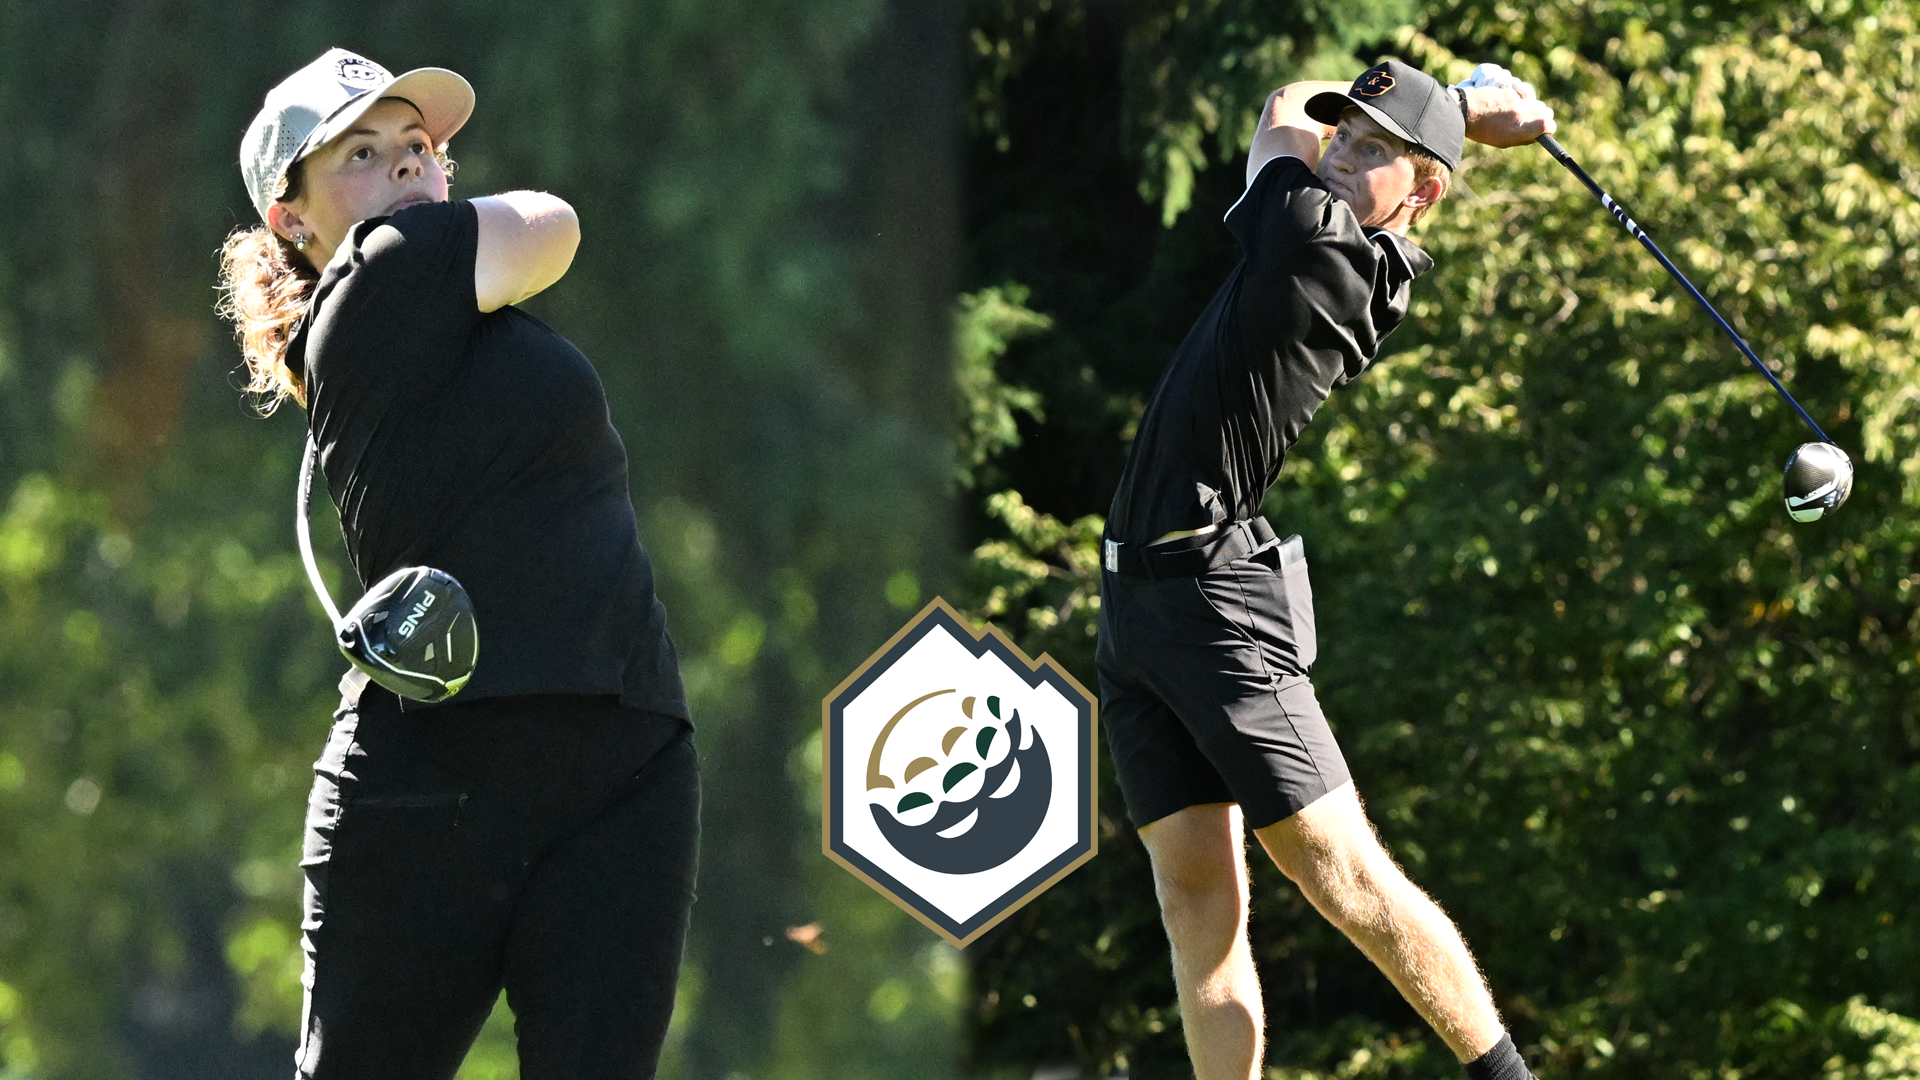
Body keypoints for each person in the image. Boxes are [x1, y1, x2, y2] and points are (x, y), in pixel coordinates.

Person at [216, 49, 697, 1079]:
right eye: (360, 152)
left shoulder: (445, 299)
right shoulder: (382, 273)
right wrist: (441, 216)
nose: (404, 167)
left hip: (626, 753)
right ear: (291, 219)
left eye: (419, 146)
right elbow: (553, 223)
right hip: (436, 780)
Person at [1094, 60, 1556, 1080]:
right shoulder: (1324, 223)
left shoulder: (1316, 241)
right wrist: (1440, 112)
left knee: (1344, 875)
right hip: (1136, 603)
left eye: (1377, 148)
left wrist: (1467, 113)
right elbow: (1305, 116)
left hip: (1214, 603)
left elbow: (1277, 108)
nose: (1344, 151)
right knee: (1194, 905)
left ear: (1424, 190)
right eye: (1347, 134)